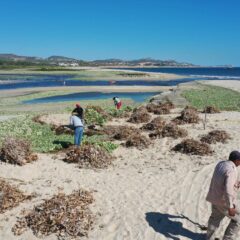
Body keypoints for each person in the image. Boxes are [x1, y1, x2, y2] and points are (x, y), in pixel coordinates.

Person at [206, 150, 240, 240]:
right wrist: (230, 207)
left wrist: (236, 183)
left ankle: (208, 237)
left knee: (214, 219)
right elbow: (228, 190)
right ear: (237, 160)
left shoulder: (220, 164)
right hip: (224, 201)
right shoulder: (231, 170)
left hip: (214, 198)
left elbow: (221, 179)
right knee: (237, 220)